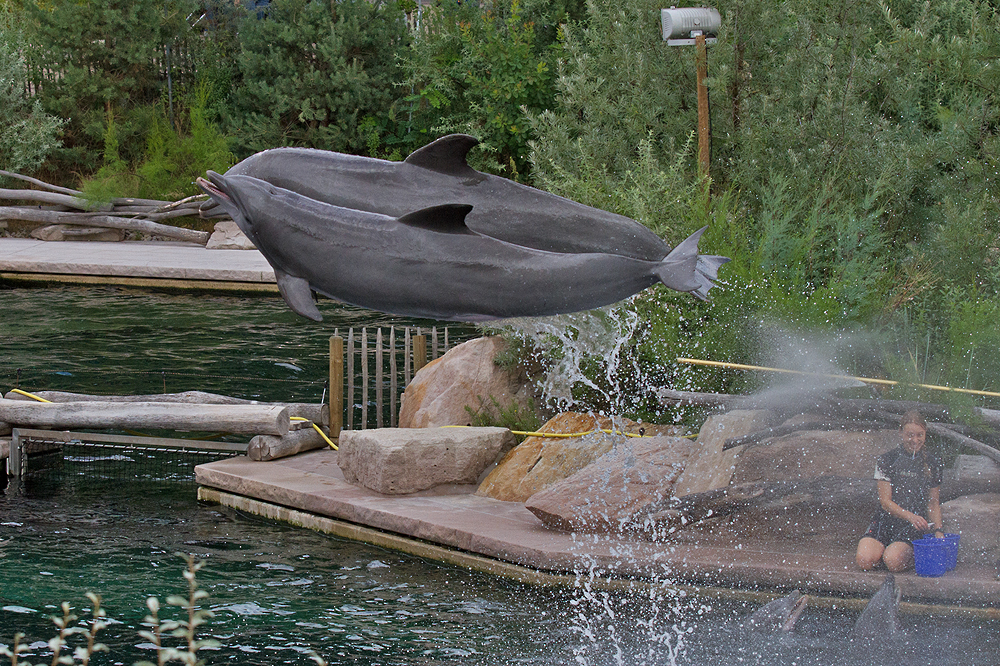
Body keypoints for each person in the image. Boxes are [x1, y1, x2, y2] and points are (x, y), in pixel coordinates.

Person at [856, 411, 944, 572]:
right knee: (864, 561)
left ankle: (898, 556)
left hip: (914, 526)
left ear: (925, 435)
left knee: (894, 561)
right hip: (886, 520)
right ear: (900, 433)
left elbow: (933, 502)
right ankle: (884, 553)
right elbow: (885, 502)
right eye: (910, 435)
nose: (915, 440)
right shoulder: (887, 459)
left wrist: (938, 530)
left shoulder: (933, 462)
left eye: (920, 435)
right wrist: (910, 516)